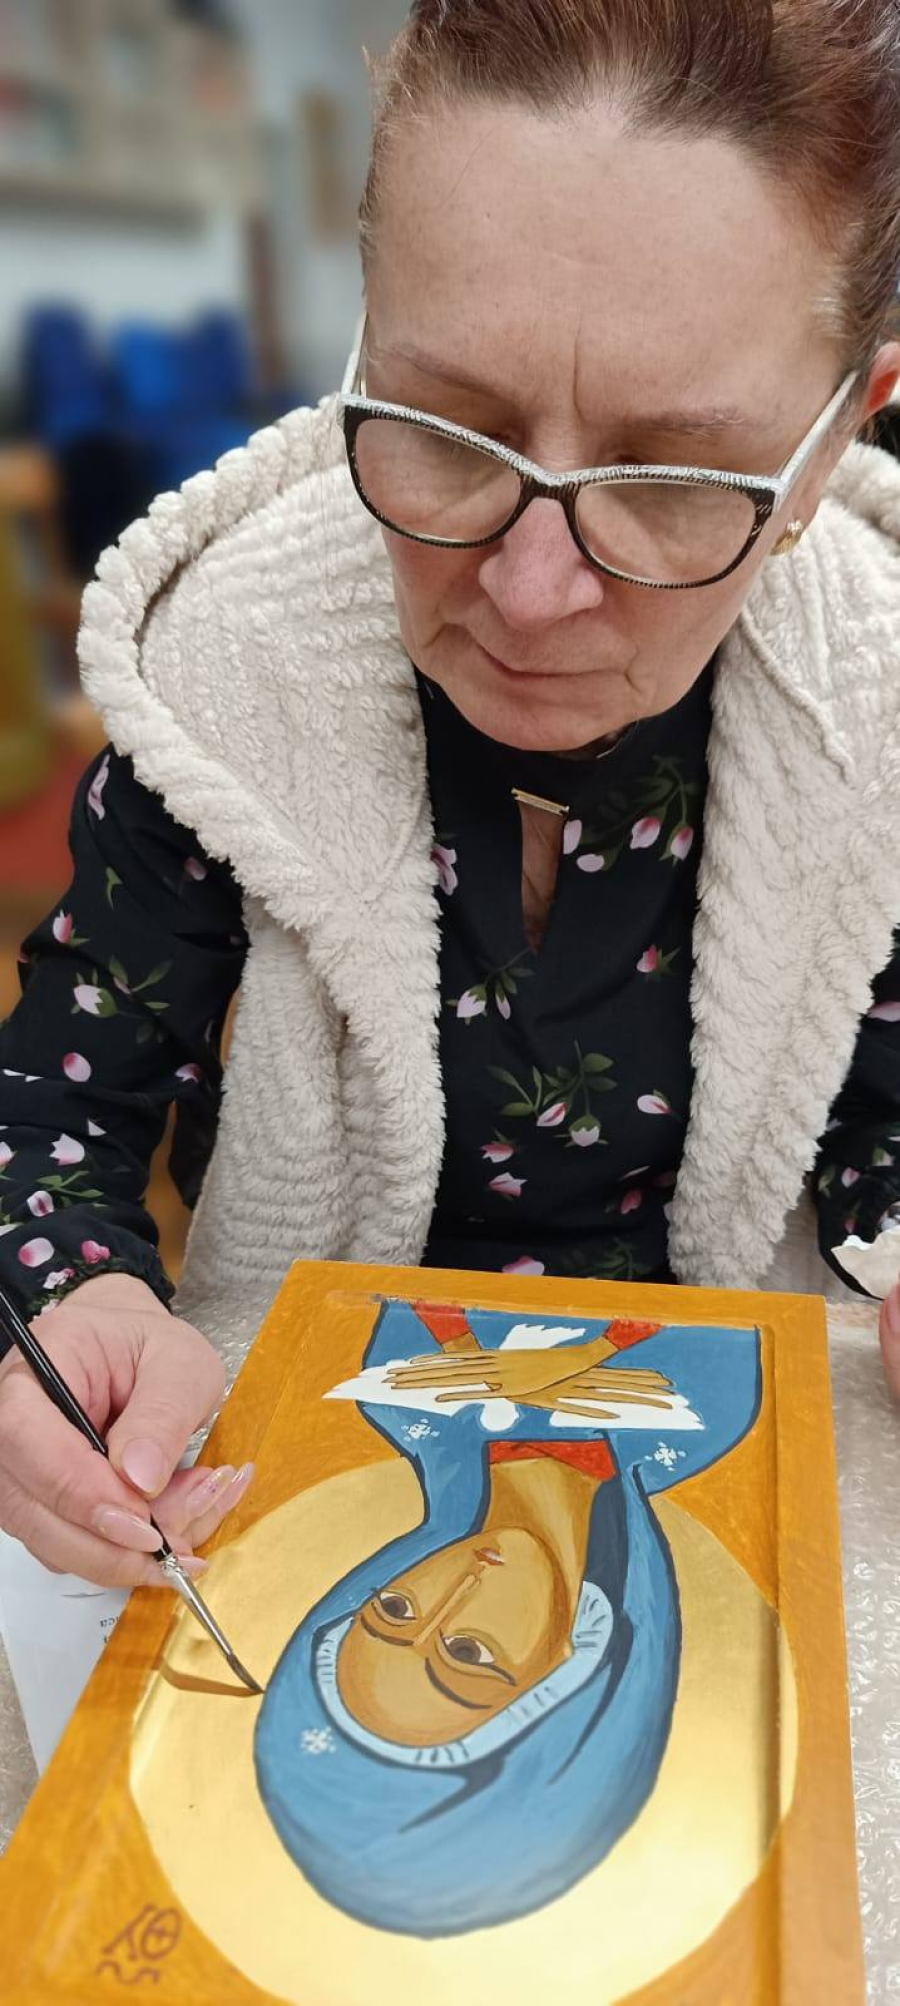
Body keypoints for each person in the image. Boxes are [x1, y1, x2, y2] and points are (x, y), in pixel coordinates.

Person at [1, 0, 900, 1591]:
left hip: (728, 1466)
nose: (532, 591)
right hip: (280, 1467)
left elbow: (879, 1106)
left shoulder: (878, 705)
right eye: (449, 429)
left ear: (836, 442)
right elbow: (62, 1103)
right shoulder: (230, 673)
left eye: (673, 478)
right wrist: (72, 1291)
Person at [254, 1295, 762, 1934]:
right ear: (568, 1669)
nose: (458, 1589)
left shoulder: (397, 1391)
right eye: (466, 1653)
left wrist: (482, 1360)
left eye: (395, 1610)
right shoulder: (712, 1413)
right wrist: (585, 1355)